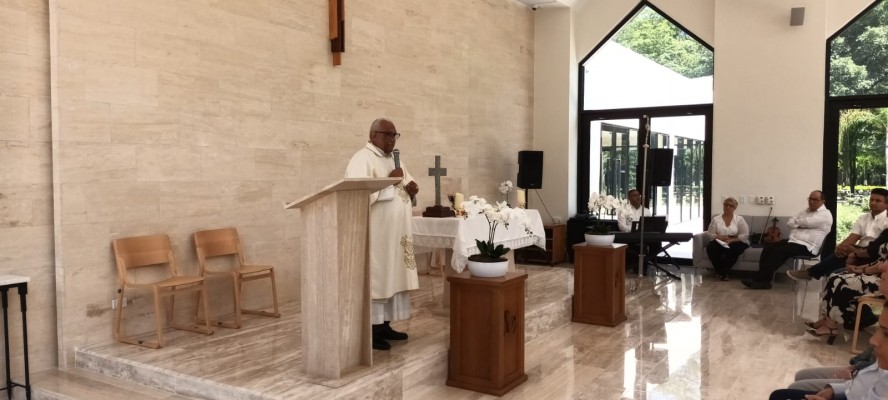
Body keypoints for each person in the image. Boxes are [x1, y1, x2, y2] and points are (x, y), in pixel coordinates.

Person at [345, 118, 420, 351]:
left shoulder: (395, 160)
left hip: (396, 234)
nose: (392, 139)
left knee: (393, 277)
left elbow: (404, 185)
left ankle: (385, 324)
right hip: (378, 234)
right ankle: (372, 329)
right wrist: (390, 183)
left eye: (395, 135)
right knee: (379, 278)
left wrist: (411, 190)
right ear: (373, 135)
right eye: (388, 134)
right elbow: (356, 195)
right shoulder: (362, 159)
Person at [767, 264, 888, 400]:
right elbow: (870, 374)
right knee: (836, 277)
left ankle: (830, 323)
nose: (882, 266)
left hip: (855, 384)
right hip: (855, 384)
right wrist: (834, 388)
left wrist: (855, 370)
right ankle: (828, 321)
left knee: (785, 393)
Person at [787, 189, 888, 281]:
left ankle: (812, 273)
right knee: (840, 255)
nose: (873, 203)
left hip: (875, 253)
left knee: (835, 270)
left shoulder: (886, 220)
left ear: (886, 204)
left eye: (878, 201)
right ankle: (819, 275)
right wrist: (840, 247)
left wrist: (854, 251)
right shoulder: (863, 218)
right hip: (857, 251)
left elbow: (881, 247)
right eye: (871, 199)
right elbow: (853, 237)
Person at [742, 190, 833, 290]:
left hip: (807, 246)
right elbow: (789, 223)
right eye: (810, 199)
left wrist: (798, 223)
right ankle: (764, 281)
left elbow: (806, 222)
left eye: (815, 199)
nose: (811, 201)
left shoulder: (825, 215)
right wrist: (801, 225)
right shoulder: (805, 211)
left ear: (822, 201)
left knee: (780, 251)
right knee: (768, 248)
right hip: (793, 241)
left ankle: (760, 279)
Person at [705, 197, 750, 281]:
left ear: (735, 208)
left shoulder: (739, 219)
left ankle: (721, 273)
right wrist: (719, 237)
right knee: (711, 247)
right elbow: (710, 234)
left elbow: (745, 235)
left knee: (734, 250)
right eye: (726, 204)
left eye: (731, 206)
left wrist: (731, 240)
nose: (728, 207)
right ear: (723, 205)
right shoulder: (716, 219)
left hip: (736, 240)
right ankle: (723, 273)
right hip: (720, 240)